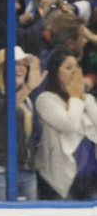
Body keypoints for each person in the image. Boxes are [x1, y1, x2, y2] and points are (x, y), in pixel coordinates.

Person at [0, 47, 41, 201]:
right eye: (16, 64)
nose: (21, 68)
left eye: (24, 64)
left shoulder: (25, 99)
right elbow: (4, 112)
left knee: (29, 215)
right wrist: (28, 88)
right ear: (1, 67)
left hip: (26, 169)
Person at [35, 48, 97, 199]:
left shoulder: (87, 99)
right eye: (68, 68)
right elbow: (69, 125)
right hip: (61, 180)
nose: (75, 72)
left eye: (77, 67)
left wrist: (83, 97)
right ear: (56, 73)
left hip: (91, 178)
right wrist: (75, 97)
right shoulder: (46, 100)